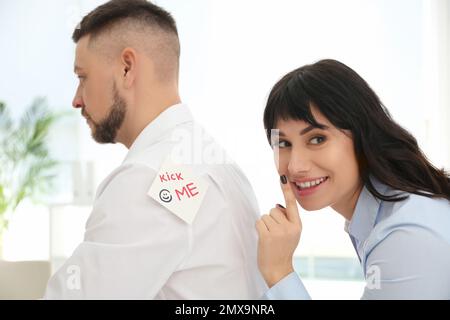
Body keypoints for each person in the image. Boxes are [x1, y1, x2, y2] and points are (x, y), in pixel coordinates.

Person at [44, 0, 266, 299]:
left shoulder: (146, 178)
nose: (76, 99)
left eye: (82, 77)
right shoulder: (217, 164)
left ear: (126, 68)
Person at [256, 59, 450, 299]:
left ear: (362, 135)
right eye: (283, 143)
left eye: (317, 139)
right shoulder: (383, 217)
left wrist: (279, 271)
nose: (295, 166)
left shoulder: (406, 236)